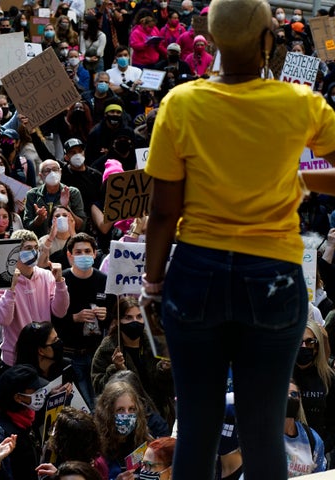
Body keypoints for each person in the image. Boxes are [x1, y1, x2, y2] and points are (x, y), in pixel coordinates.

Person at [142, 0, 335, 477]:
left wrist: (151, 284)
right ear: (268, 38)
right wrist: (301, 176)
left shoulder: (181, 103)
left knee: (198, 429)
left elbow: (164, 211)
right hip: (274, 278)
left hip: (195, 277)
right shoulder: (300, 103)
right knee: (263, 431)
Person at [0, 229, 70, 368]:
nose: (33, 252)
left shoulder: (46, 275)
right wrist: (11, 289)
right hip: (15, 358)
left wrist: (59, 282)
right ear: (15, 253)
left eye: (35, 248)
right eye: (28, 248)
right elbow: (3, 319)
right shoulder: (1, 280)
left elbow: (60, 311)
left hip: (44, 356)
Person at [91, 296, 175, 427]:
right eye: (128, 318)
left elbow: (170, 389)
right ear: (118, 321)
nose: (135, 322)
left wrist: (165, 369)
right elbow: (98, 389)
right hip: (126, 421)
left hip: (159, 416)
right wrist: (115, 369)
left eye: (139, 317)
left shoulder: (156, 345)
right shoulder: (107, 350)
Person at [54, 233, 113, 409]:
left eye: (87, 251)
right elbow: (52, 317)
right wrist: (74, 318)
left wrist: (106, 316)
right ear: (69, 255)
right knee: (86, 405)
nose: (84, 255)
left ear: (95, 254)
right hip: (70, 354)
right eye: (78, 252)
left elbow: (112, 316)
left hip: (96, 353)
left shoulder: (104, 281)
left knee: (101, 401)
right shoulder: (61, 281)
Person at [0, 365, 49, 480]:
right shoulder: (2, 433)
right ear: (18, 397)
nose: (40, 393)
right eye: (35, 390)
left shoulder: (25, 413)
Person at [93, 381, 154, 479]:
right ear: (107, 412)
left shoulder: (144, 439)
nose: (126, 415)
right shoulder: (96, 447)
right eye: (120, 409)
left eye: (131, 409)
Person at [292, 319, 335, 455]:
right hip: (287, 451)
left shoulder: (328, 377)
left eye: (310, 342)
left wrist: (322, 447)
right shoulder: (282, 375)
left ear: (317, 347)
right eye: (299, 341)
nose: (304, 346)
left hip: (318, 451)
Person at [35, 407, 106, 480]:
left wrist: (59, 476)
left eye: (55, 431)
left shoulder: (94, 469)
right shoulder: (97, 460)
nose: (51, 435)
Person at [23, 159, 86, 237]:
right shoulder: (32, 195)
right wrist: (39, 219)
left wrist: (66, 207)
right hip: (41, 242)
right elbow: (26, 227)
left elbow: (81, 226)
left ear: (60, 172)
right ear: (41, 176)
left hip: (67, 242)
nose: (52, 173)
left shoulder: (72, 192)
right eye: (47, 171)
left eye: (55, 170)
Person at [284, 378, 327, 476]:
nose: (289, 397)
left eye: (293, 394)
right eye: (285, 394)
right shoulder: (263, 436)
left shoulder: (312, 439)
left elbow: (320, 476)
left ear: (299, 399)